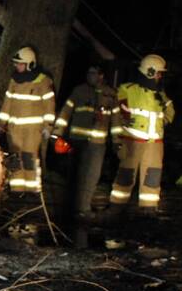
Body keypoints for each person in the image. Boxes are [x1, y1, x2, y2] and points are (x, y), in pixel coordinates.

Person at [108, 54, 175, 215]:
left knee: (152, 175)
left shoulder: (161, 94)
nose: (160, 76)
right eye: (159, 73)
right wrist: (117, 137)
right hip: (132, 141)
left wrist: (162, 122)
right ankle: (116, 208)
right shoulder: (128, 90)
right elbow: (116, 113)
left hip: (155, 144)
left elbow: (170, 112)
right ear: (150, 72)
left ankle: (149, 209)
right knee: (126, 174)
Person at [50, 65, 119, 220]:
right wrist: (57, 133)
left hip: (97, 143)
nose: (90, 76)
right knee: (75, 175)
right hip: (78, 141)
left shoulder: (110, 94)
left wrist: (116, 141)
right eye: (88, 73)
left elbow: (116, 120)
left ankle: (84, 208)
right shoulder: (79, 91)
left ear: (101, 76)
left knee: (92, 176)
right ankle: (69, 209)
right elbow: (65, 112)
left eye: (93, 73)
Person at [0, 46, 56, 193]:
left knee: (29, 157)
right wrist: (1, 123)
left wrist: (48, 126)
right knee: (15, 157)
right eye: (16, 63)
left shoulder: (43, 81)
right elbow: (7, 102)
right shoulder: (14, 80)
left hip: (33, 130)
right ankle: (17, 189)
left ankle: (32, 189)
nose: (16, 66)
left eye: (20, 63)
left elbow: (49, 105)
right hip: (14, 129)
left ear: (30, 63)